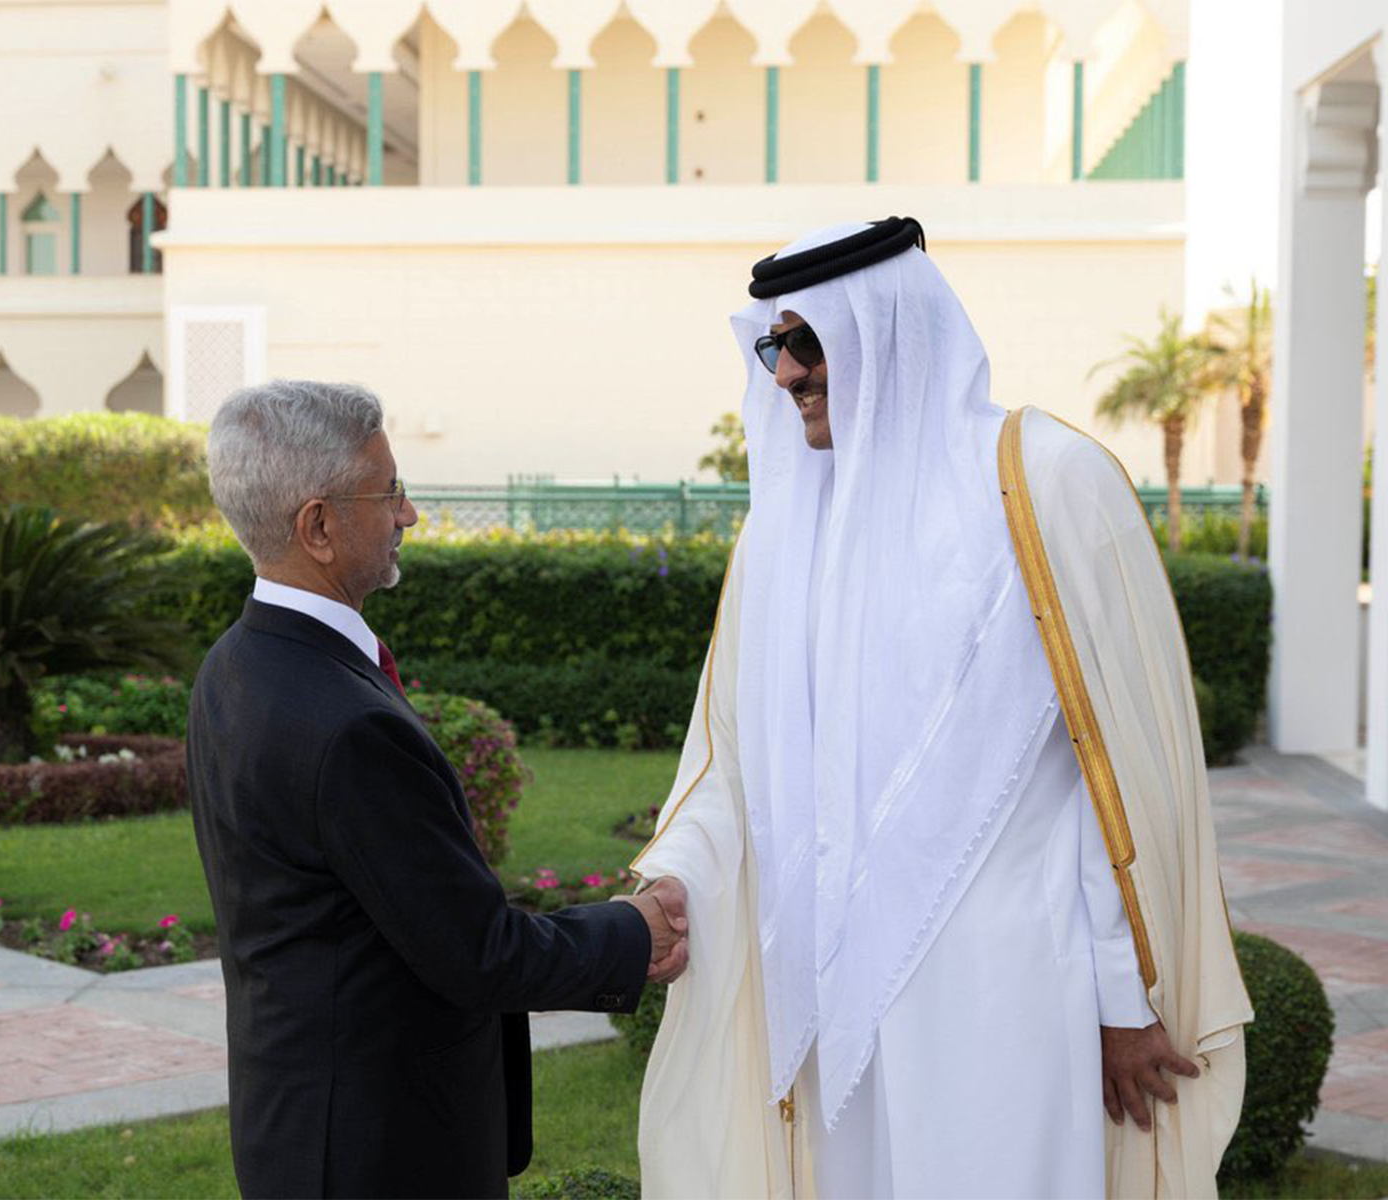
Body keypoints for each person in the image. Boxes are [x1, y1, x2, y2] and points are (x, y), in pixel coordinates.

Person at [632, 219, 1252, 1199]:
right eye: (774, 347)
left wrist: (1124, 1000)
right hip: (832, 994)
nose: (787, 374)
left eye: (810, 344)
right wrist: (666, 882)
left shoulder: (1042, 481)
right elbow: (734, 761)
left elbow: (1117, 776)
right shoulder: (784, 528)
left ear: (892, 333)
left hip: (1008, 992)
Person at [188, 379, 689, 1200]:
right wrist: (633, 933)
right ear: (317, 525)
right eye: (388, 491)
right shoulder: (347, 724)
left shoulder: (236, 664)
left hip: (299, 1126)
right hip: (378, 1151)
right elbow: (476, 953)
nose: (408, 513)